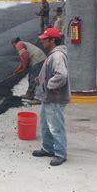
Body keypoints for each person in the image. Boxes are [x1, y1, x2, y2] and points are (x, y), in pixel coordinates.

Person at [32, 28, 70, 166]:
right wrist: (40, 79)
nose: (42, 41)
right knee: (45, 124)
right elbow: (51, 72)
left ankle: (60, 153)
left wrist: (48, 84)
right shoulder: (52, 54)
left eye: (45, 39)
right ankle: (48, 148)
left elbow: (61, 75)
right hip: (48, 97)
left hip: (55, 98)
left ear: (52, 40)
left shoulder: (57, 56)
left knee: (55, 126)